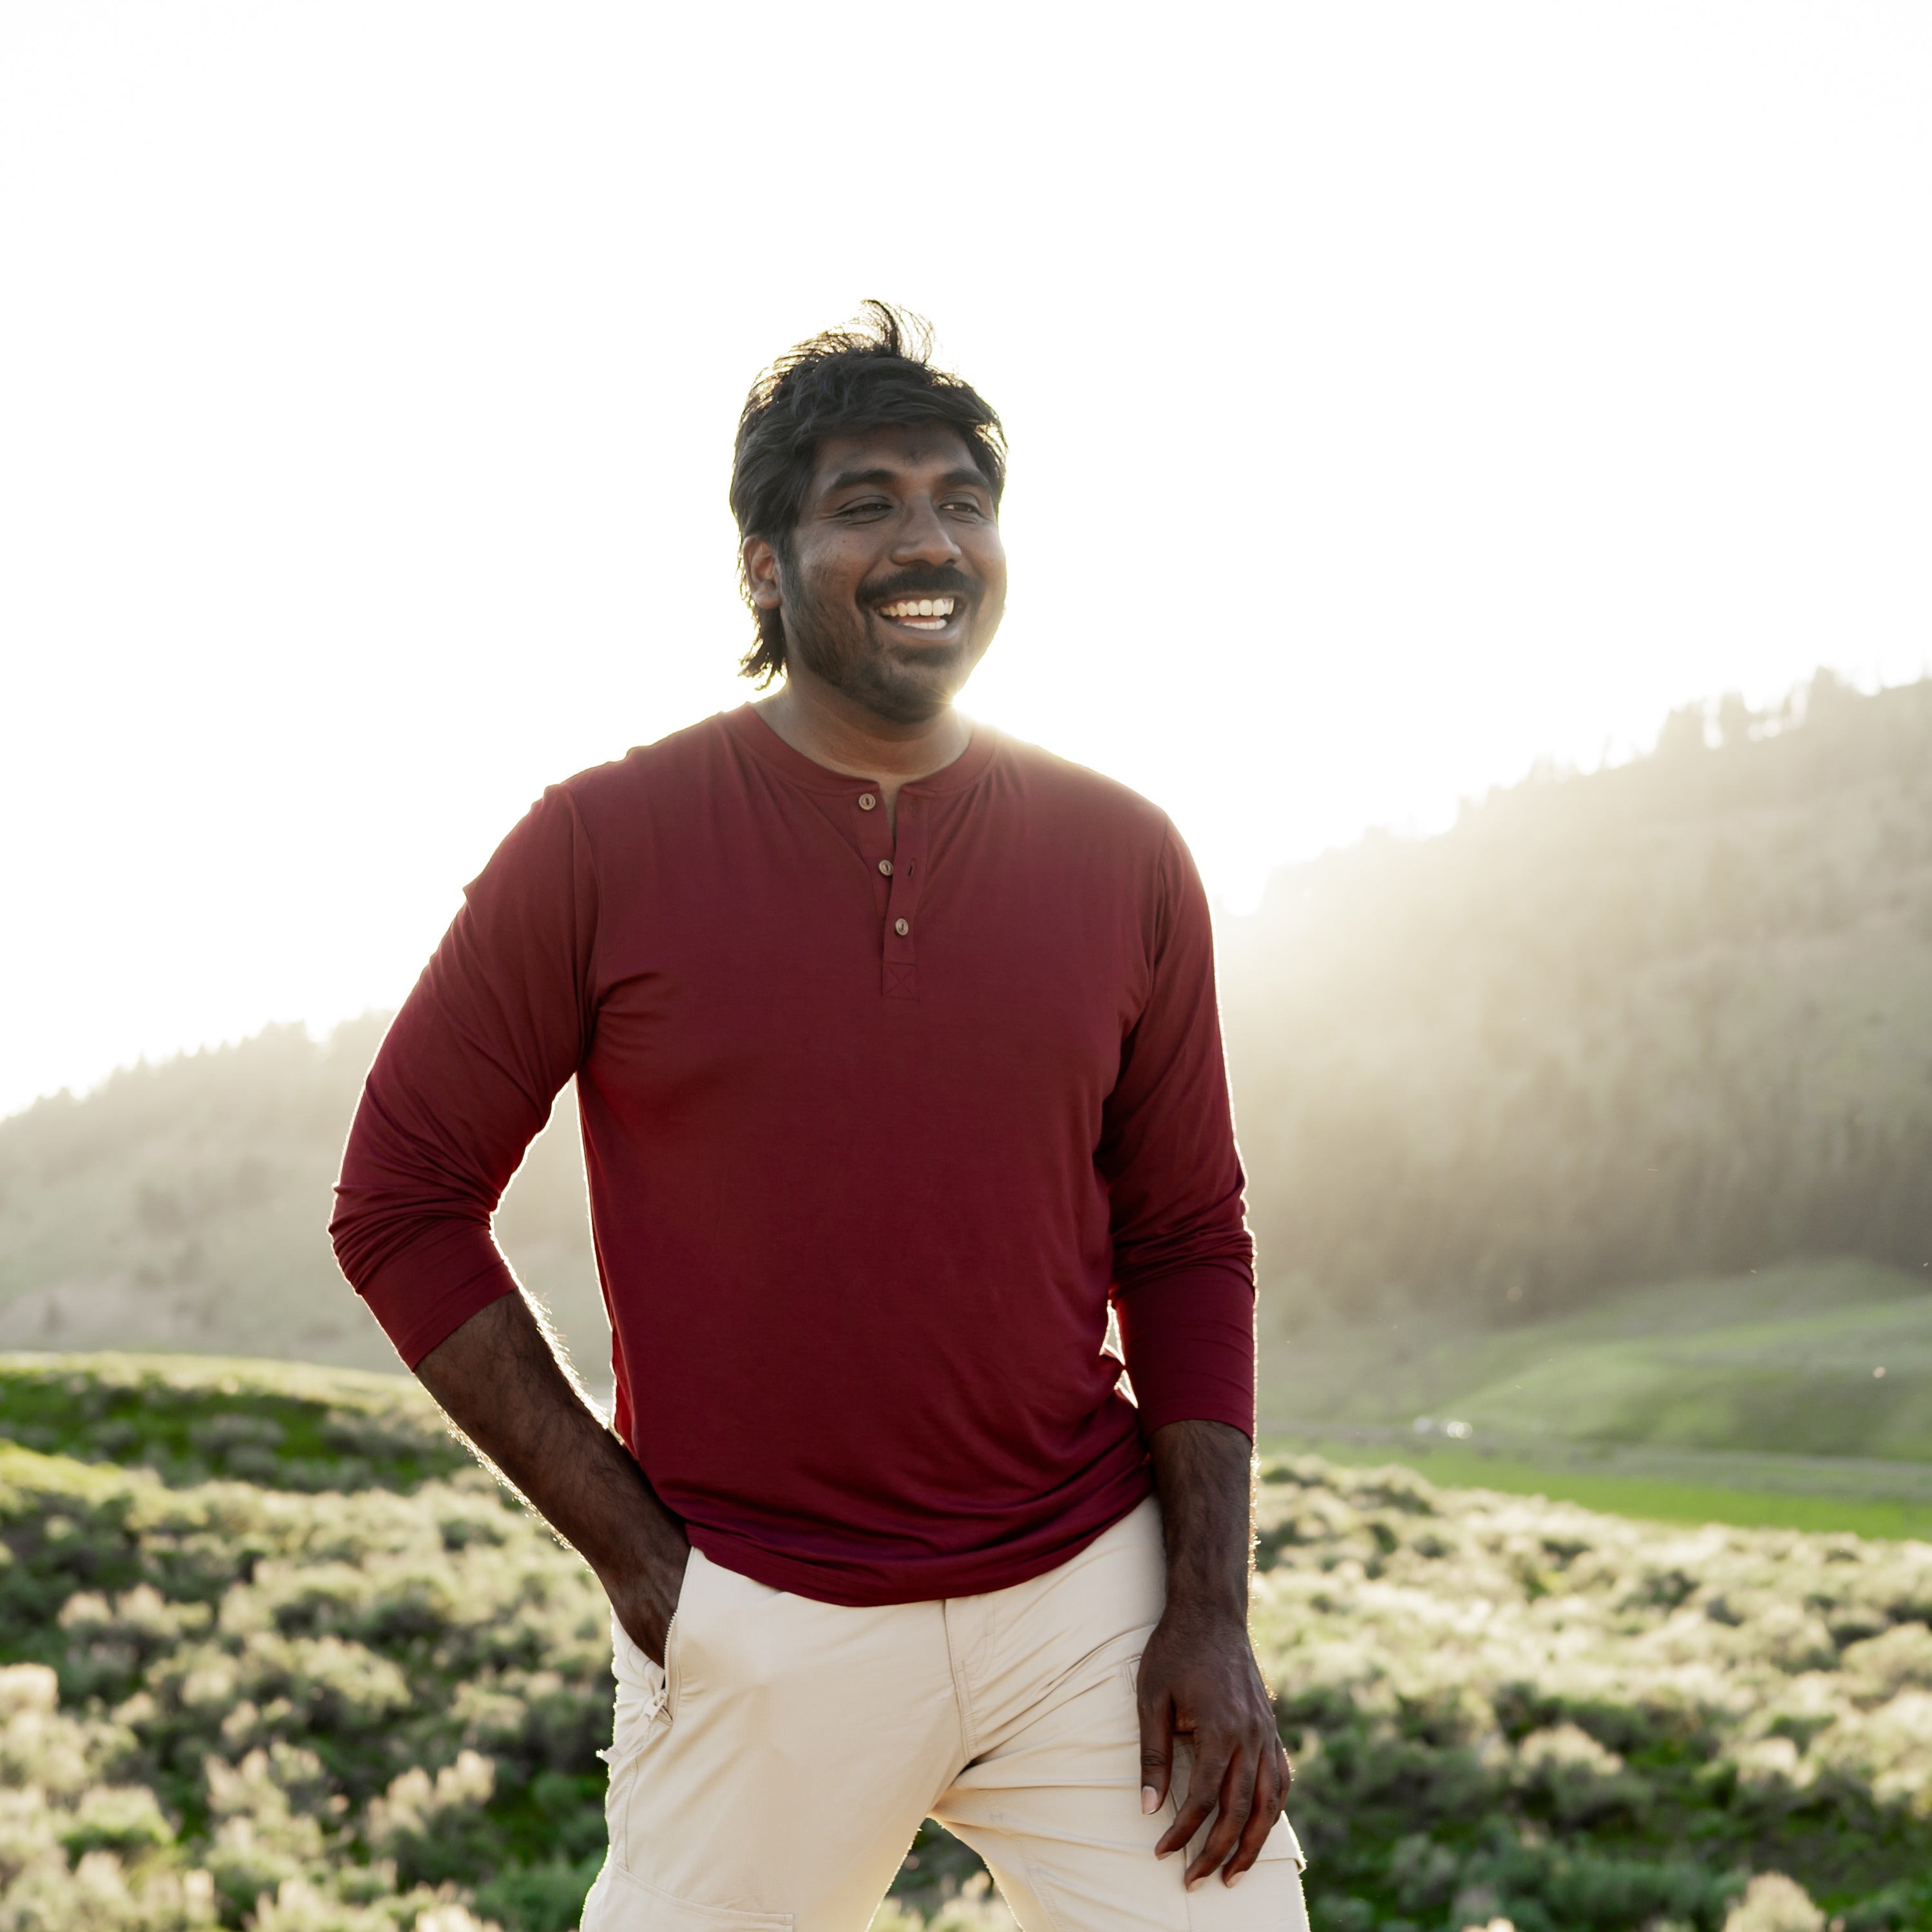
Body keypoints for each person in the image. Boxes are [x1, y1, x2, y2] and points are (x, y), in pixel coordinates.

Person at [330, 303, 1305, 1931]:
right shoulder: (599, 845)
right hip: (760, 1618)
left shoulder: (1127, 852)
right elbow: (401, 1203)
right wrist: (645, 1563)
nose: (931, 540)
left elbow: (1190, 1236)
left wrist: (1207, 1609)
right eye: (868, 501)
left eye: (962, 501)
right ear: (766, 568)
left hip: (1089, 1607)